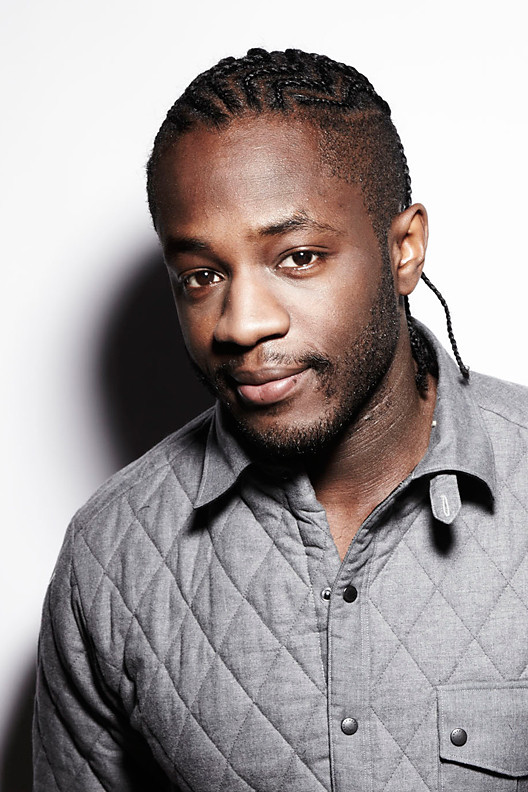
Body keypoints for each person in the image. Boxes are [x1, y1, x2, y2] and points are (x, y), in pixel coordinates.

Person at [33, 48, 528, 792]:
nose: (241, 323)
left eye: (297, 258)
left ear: (404, 250)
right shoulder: (111, 559)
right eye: (202, 275)